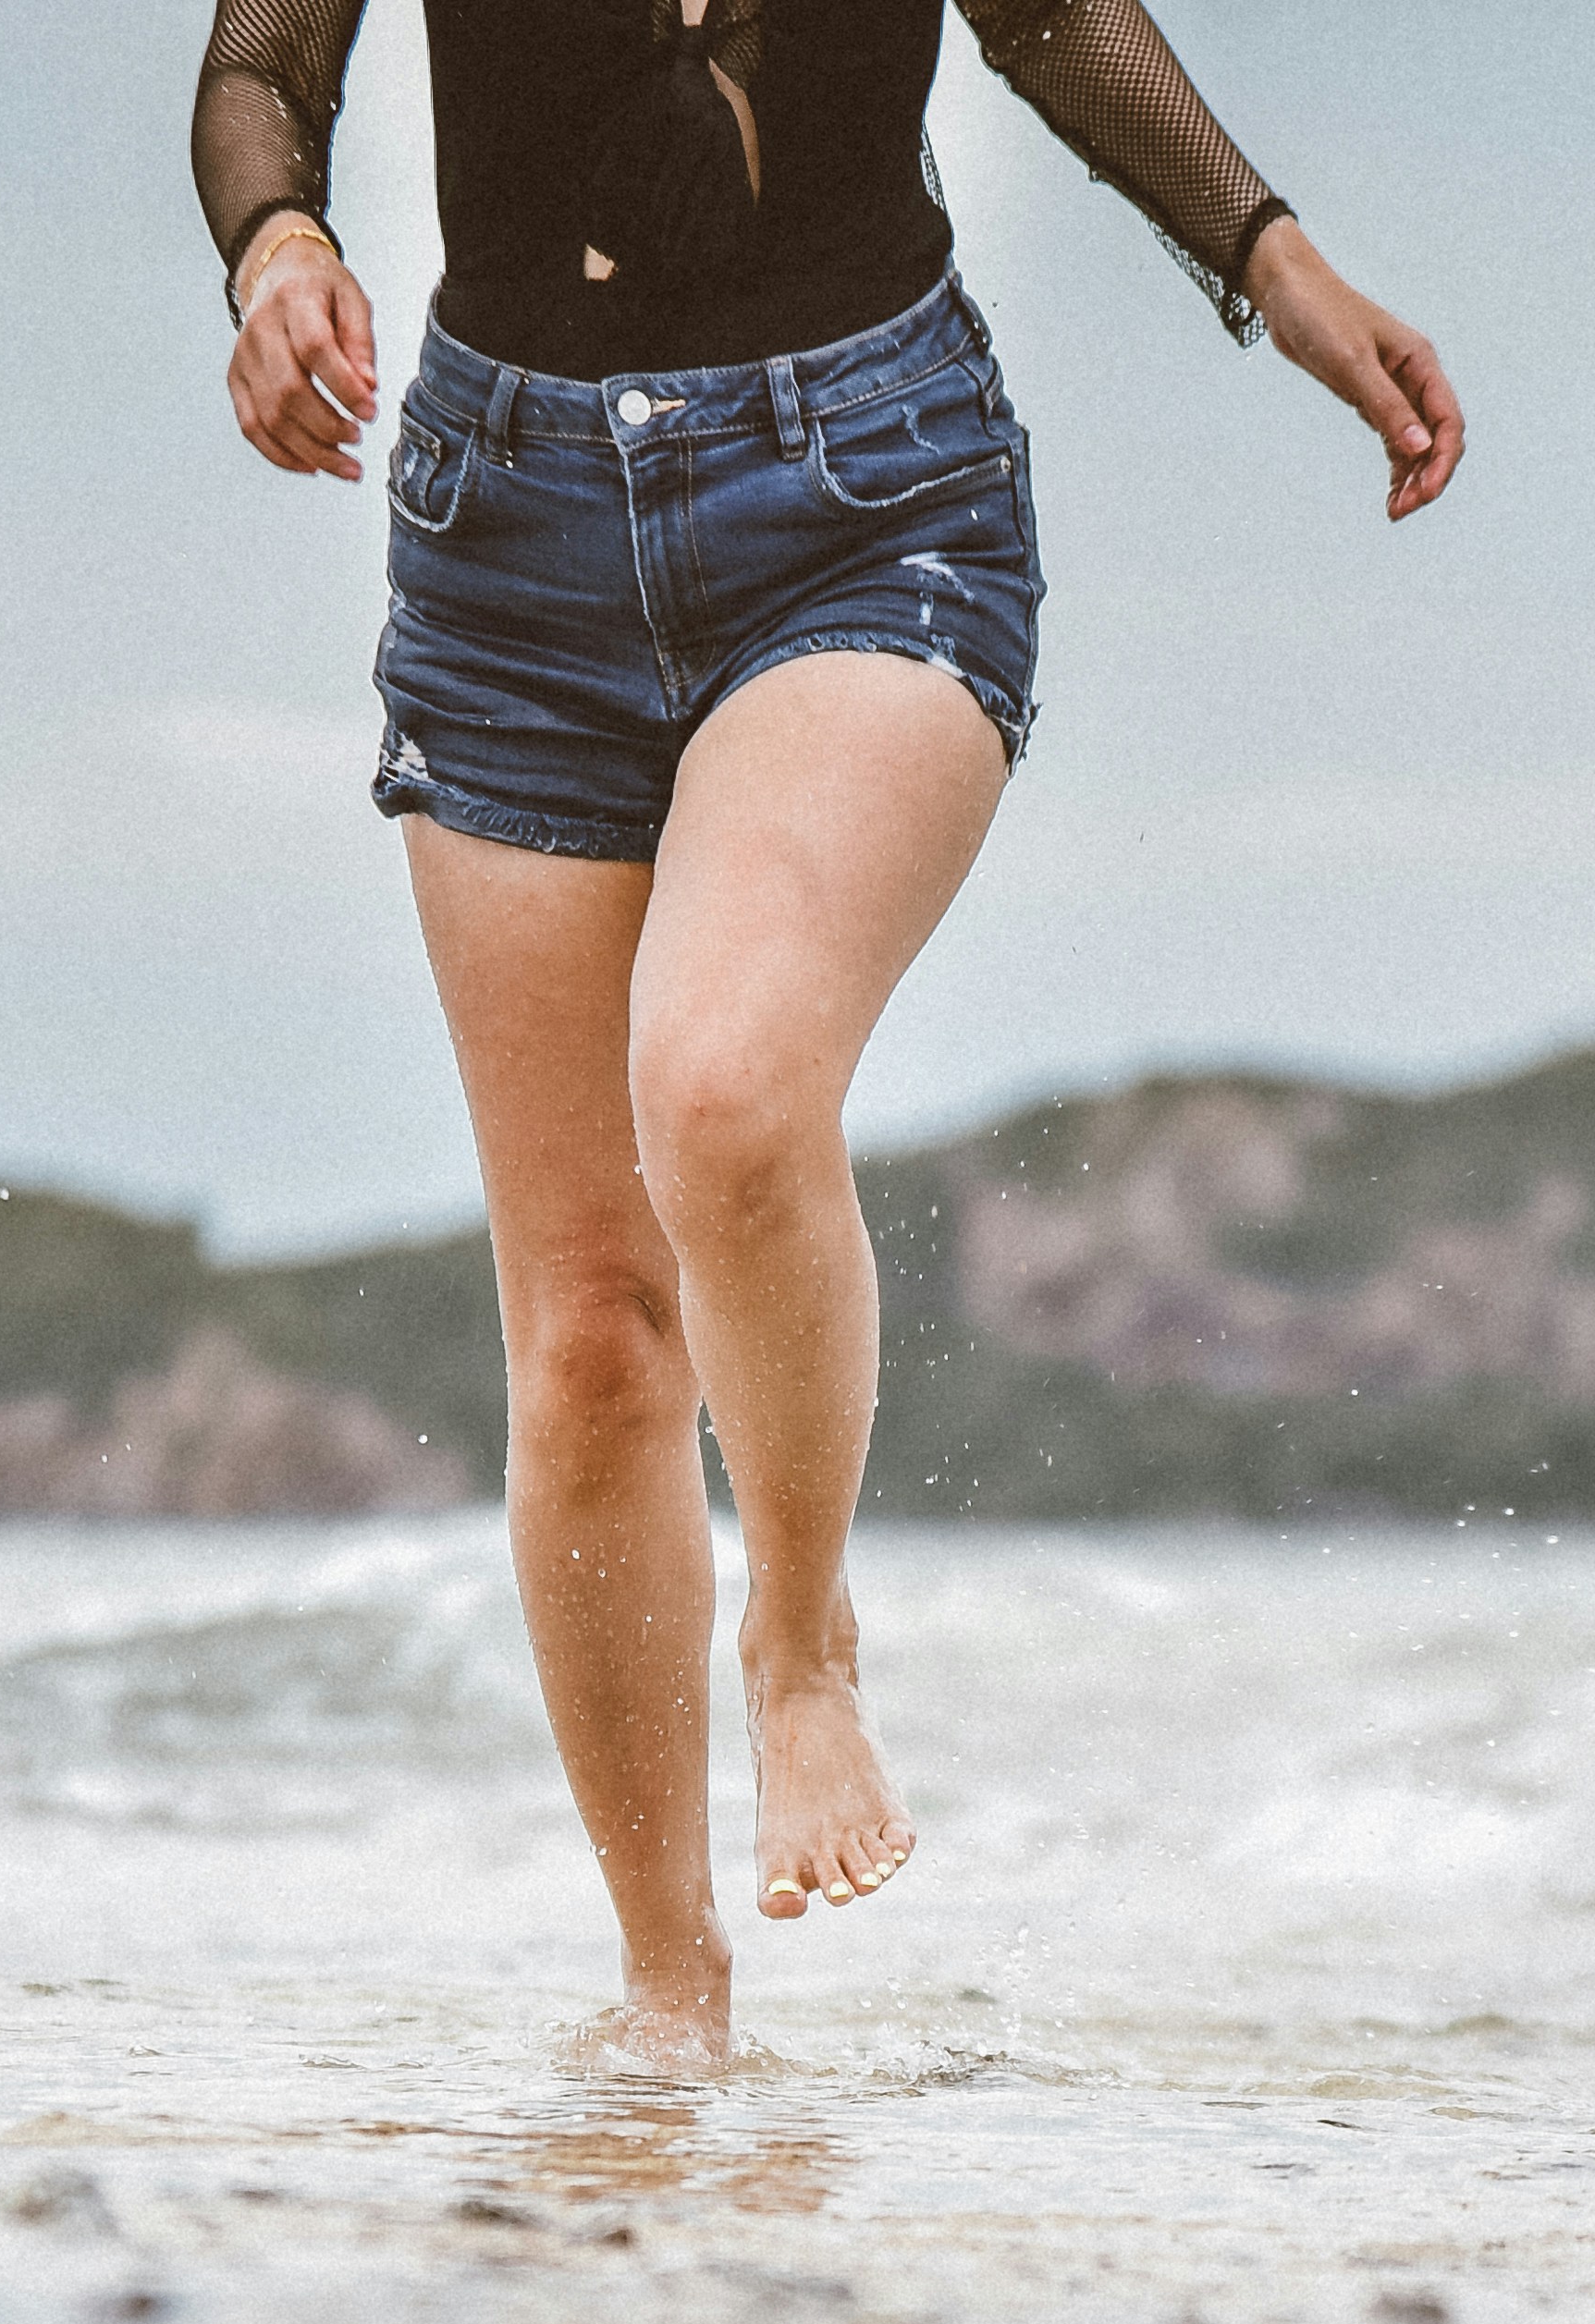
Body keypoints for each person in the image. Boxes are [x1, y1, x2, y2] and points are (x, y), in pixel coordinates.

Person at [198, 0, 1462, 2066]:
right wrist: (273, 252)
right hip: (504, 542)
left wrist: (1273, 266)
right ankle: (669, 1999)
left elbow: (1044, 13)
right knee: (593, 1330)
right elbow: (265, 66)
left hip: (865, 492)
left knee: (719, 1083)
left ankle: (798, 1639)